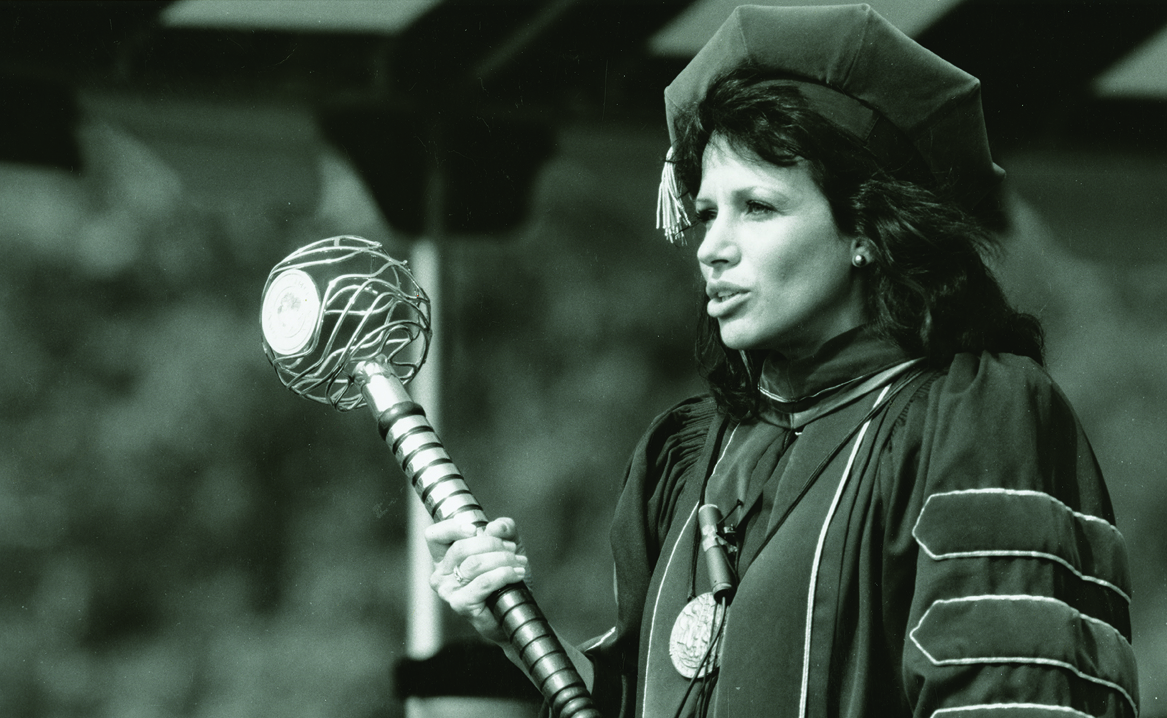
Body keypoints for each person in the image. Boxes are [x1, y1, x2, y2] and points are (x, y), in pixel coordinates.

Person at [425, 5, 1139, 717]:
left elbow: (1012, 695)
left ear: (867, 229)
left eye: (758, 208)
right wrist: (520, 635)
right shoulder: (688, 455)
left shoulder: (971, 416)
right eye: (706, 213)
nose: (712, 247)